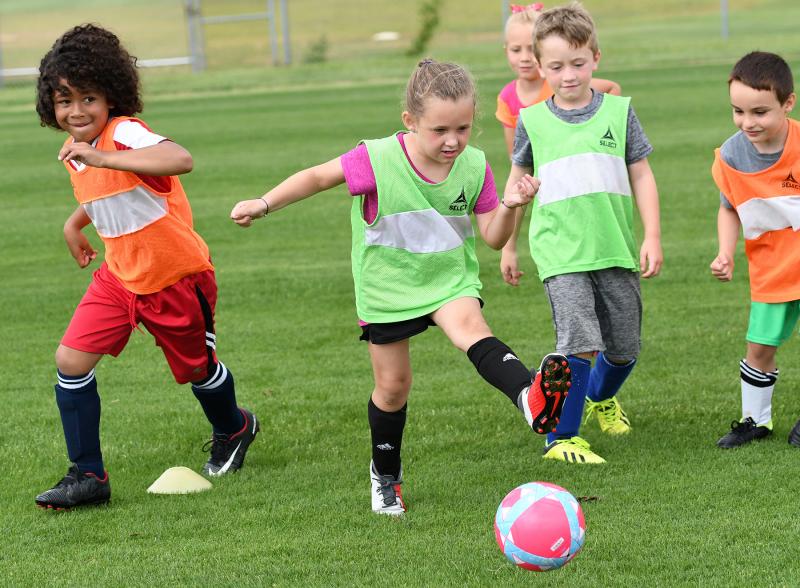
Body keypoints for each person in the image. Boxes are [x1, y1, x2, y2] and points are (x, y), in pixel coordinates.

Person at [231, 59, 570, 515]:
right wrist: (264, 202)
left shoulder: (473, 166)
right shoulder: (375, 158)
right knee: (393, 387)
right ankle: (386, 478)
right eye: (440, 130)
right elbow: (316, 177)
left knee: (472, 328)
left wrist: (511, 205)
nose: (453, 141)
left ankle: (530, 397)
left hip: (448, 279)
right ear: (410, 122)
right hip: (388, 287)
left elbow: (493, 238)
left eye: (464, 128)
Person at [34, 24, 259, 510]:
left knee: (198, 371)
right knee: (70, 362)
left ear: (111, 96)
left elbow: (180, 158)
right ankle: (88, 475)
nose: (76, 111)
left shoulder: (124, 132)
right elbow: (105, 194)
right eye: (63, 100)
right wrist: (75, 226)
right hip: (119, 277)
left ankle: (235, 426)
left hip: (175, 278)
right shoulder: (77, 151)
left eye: (88, 98)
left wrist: (101, 153)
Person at [501, 2, 662, 463]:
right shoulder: (531, 121)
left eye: (577, 63)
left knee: (625, 347)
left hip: (615, 247)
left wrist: (651, 235)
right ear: (539, 65)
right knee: (579, 342)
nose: (568, 75)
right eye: (555, 66)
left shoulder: (619, 111)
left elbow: (643, 175)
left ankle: (598, 397)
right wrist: (509, 245)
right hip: (561, 253)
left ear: (596, 57)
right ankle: (562, 437)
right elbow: (516, 186)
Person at [710, 52, 800, 449]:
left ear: (788, 103)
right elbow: (729, 208)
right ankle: (755, 421)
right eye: (738, 111)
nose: (748, 122)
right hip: (772, 269)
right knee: (760, 346)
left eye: (760, 112)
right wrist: (725, 252)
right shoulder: (731, 155)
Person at [496, 2, 620, 156]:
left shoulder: (562, 85)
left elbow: (611, 88)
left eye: (531, 49)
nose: (524, 58)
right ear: (506, 50)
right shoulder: (507, 97)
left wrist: (601, 130)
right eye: (516, 50)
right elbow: (514, 154)